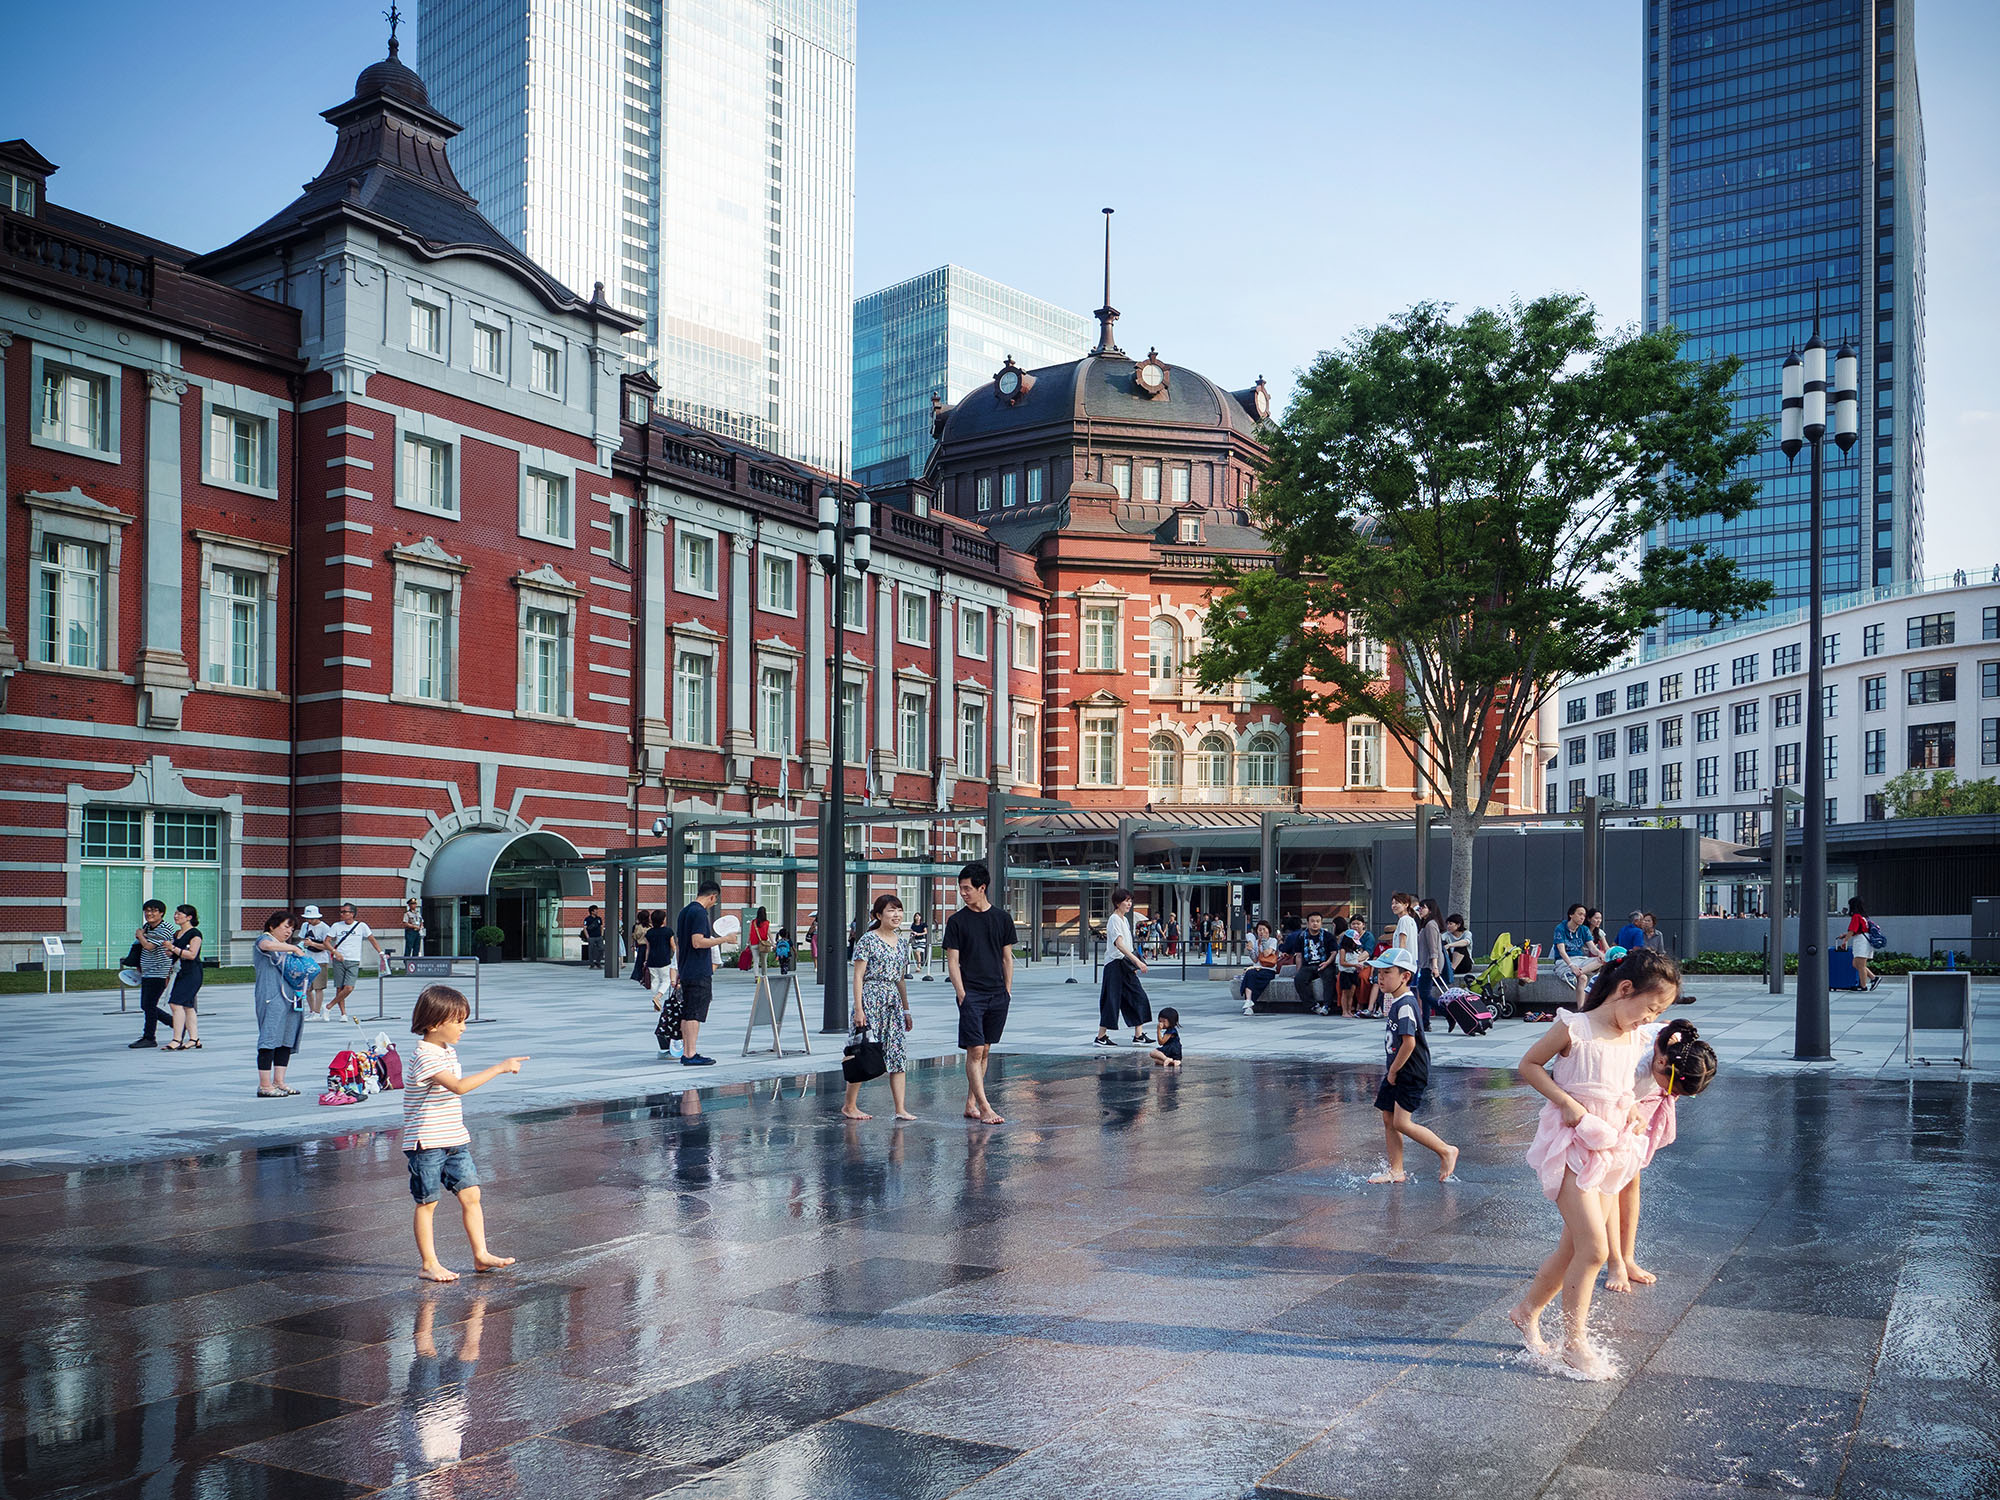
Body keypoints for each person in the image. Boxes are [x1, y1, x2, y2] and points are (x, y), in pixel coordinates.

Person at [1508, 948, 1682, 1379]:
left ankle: (1526, 1311)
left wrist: (1633, 1110)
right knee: (1596, 1248)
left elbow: (1623, 1087)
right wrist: (1565, 1101)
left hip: (1608, 1150)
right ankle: (1575, 1343)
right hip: (1568, 1144)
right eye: (1651, 1006)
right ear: (1625, 990)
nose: (1651, 1017)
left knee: (1572, 1247)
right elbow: (1529, 1065)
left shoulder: (1634, 1038)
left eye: (1659, 1012)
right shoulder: (1576, 1027)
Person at [403, 984, 528, 1282]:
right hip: (428, 1141)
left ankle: (481, 1254)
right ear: (434, 1024)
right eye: (458, 1021)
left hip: (455, 1138)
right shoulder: (425, 1056)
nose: (464, 1028)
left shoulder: (447, 1050)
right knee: (427, 1202)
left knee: (472, 1194)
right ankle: (429, 1263)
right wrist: (500, 1068)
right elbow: (458, 1087)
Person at [1604, 1018, 1716, 1293]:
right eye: (1673, 1089)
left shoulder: (1674, 1048)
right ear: (1661, 1064)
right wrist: (1628, 1107)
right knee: (1609, 1182)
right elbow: (1607, 1088)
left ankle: (1628, 1257)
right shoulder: (1634, 1060)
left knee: (1631, 1178)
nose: (1672, 1095)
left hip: (1637, 1103)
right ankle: (1615, 1261)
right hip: (1608, 1104)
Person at [1365, 947, 1459, 1185]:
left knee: (1401, 1122)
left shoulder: (1405, 1004)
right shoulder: (1397, 1001)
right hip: (1396, 1069)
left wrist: (1394, 1072)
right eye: (1379, 973)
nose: (1381, 978)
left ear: (1405, 976)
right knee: (1388, 1117)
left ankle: (1446, 1150)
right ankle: (1396, 1170)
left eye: (1387, 973)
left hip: (1409, 1071)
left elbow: (1409, 1043)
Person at [944, 861, 1014, 1125]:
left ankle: (971, 1103)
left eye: (966, 888)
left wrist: (1007, 991)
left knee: (985, 1050)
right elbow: (952, 961)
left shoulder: (1002, 919)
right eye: (960, 888)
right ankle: (985, 1108)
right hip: (971, 994)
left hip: (998, 994)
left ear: (981, 887)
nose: (962, 893)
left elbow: (1007, 958)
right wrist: (961, 993)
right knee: (974, 1050)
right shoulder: (957, 922)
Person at [842, 894, 917, 1122]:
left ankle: (900, 1108)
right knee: (864, 1051)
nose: (897, 915)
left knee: (897, 1054)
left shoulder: (902, 942)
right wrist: (858, 1009)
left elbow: (900, 978)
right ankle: (849, 1105)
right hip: (871, 999)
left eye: (899, 910)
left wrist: (906, 1009)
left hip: (892, 1002)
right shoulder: (868, 940)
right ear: (878, 915)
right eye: (891, 911)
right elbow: (857, 977)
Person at [252, 910, 312, 1098]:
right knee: (269, 1038)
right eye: (286, 927)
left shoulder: (285, 947)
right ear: (272, 925)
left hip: (291, 997)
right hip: (271, 996)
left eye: (292, 929)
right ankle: (264, 1084)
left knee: (286, 1038)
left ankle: (279, 1081)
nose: (289, 932)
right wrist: (294, 949)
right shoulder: (265, 940)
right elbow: (266, 945)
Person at [1095, 888, 1154, 1046]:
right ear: (1117, 903)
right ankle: (1101, 1037)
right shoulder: (1114, 920)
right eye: (1126, 901)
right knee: (1111, 1000)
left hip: (1125, 965)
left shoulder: (1125, 920)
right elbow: (1119, 945)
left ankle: (1138, 1036)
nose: (1129, 904)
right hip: (1114, 966)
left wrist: (1132, 963)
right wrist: (1137, 961)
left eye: (1130, 900)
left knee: (1138, 996)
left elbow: (1127, 945)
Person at [675, 881, 723, 1065]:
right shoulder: (700, 913)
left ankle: (687, 1052)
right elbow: (698, 942)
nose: (713, 904)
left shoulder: (684, 912)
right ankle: (690, 1054)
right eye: (715, 901)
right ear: (713, 896)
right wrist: (723, 939)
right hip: (698, 971)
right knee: (695, 1014)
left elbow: (680, 944)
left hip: (687, 969)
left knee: (687, 1013)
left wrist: (680, 968)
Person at [324, 902, 387, 1025]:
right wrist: (335, 952)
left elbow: (372, 939)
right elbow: (326, 941)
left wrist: (380, 952)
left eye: (344, 912)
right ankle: (343, 1014)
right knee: (340, 987)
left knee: (349, 987)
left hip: (353, 960)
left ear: (352, 914)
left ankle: (328, 1006)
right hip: (339, 959)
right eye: (341, 912)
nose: (342, 914)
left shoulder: (361, 926)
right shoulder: (336, 926)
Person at [130, 898, 174, 1049]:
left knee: (148, 1005)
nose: (149, 913)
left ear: (161, 913)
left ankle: (150, 1037)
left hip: (159, 972)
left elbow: (149, 946)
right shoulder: (147, 927)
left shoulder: (165, 928)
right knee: (147, 1005)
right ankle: (175, 1023)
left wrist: (139, 935)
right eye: (147, 910)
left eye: (154, 911)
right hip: (147, 972)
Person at [162, 903, 204, 1050]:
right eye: (175, 913)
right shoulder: (177, 934)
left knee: (175, 1003)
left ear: (189, 917)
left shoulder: (195, 934)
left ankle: (176, 1039)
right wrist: (169, 950)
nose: (176, 916)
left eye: (179, 914)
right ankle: (194, 1039)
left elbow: (192, 954)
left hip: (192, 973)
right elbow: (176, 953)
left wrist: (173, 948)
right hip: (179, 972)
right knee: (187, 1005)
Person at [1279, 911, 1335, 1016]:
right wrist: (1298, 971)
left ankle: (1327, 1005)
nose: (1315, 923)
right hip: (1308, 965)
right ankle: (1313, 1005)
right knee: (1299, 979)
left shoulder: (1328, 936)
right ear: (1308, 923)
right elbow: (1299, 956)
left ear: (1321, 923)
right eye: (1312, 921)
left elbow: (1333, 952)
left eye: (1318, 921)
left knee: (1329, 978)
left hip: (1325, 964)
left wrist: (1327, 963)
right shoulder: (1301, 937)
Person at [1551, 903, 1603, 997]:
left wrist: (1600, 953)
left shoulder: (1584, 929)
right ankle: (1573, 973)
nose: (1582, 917)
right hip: (1564, 961)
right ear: (1571, 914)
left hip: (1580, 960)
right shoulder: (1560, 928)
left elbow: (1592, 948)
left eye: (1584, 915)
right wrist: (1571, 965)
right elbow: (1561, 951)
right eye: (1580, 914)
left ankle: (1581, 1010)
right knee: (1582, 978)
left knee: (1601, 960)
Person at [1414, 898, 1447, 1025]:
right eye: (1420, 908)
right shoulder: (1426, 924)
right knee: (1424, 993)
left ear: (1431, 910)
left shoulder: (1431, 925)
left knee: (1423, 993)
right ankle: (1425, 1022)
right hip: (1427, 963)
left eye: (1423, 908)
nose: (1420, 910)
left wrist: (1434, 966)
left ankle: (1446, 1013)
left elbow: (1433, 948)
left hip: (1430, 964)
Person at [297, 904, 333, 1019]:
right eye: (308, 918)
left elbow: (327, 946)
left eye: (311, 919)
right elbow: (302, 939)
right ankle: (312, 1010)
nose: (309, 921)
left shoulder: (325, 928)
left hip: (320, 960)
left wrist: (312, 944)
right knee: (307, 988)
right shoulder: (305, 926)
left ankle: (317, 1012)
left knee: (319, 987)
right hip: (308, 959)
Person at [1237, 919, 1282, 1008]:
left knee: (1250, 976)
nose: (1262, 932)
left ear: (1268, 930)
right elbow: (1255, 960)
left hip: (1269, 969)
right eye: (1259, 930)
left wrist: (1264, 941)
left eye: (1264, 929)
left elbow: (1266, 953)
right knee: (1249, 974)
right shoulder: (1256, 942)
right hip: (1257, 968)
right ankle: (1248, 1001)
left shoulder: (1273, 941)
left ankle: (1249, 1002)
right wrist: (1250, 950)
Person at [1837, 897, 1878, 991]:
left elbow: (1852, 930)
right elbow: (1857, 930)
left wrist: (1845, 941)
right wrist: (1845, 936)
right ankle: (1873, 978)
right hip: (1864, 940)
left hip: (1861, 942)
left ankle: (1863, 986)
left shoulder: (1856, 916)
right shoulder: (1863, 917)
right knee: (1856, 964)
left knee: (1861, 965)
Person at [1336, 917, 1370, 1017]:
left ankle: (1350, 1010)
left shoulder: (1355, 951)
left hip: (1353, 972)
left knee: (1352, 993)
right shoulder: (1343, 950)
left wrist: (1358, 966)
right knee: (1345, 992)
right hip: (1345, 973)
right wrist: (1354, 965)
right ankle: (1344, 1011)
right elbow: (1342, 962)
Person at [644, 909, 676, 1014]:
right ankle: (658, 997)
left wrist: (646, 960)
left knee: (655, 981)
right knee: (666, 980)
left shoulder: (649, 932)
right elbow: (673, 946)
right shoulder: (668, 931)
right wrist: (678, 957)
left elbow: (648, 948)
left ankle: (655, 1001)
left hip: (652, 960)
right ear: (663, 920)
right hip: (664, 960)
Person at [1443, 914, 1473, 983]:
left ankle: (1452, 970)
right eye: (1447, 924)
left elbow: (1466, 942)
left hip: (1464, 964)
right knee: (1443, 944)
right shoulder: (1446, 935)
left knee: (1460, 947)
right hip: (1450, 961)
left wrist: (1450, 945)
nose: (1448, 926)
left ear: (1458, 925)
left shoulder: (1467, 933)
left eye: (1451, 924)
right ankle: (1449, 969)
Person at [908, 909, 929, 976]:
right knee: (916, 954)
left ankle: (919, 966)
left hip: (921, 939)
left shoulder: (923, 924)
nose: (917, 917)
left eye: (918, 916)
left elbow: (926, 932)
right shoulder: (913, 925)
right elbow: (911, 931)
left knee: (918, 952)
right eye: (916, 916)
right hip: (915, 940)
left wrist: (919, 934)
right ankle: (918, 964)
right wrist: (912, 934)